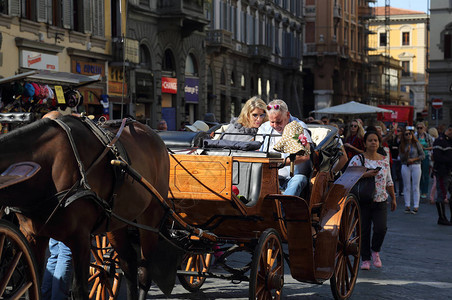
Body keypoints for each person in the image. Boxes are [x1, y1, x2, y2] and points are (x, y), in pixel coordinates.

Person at [348, 130, 397, 270]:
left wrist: (393, 198)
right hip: (363, 199)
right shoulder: (358, 159)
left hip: (380, 199)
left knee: (381, 228)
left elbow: (389, 180)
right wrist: (366, 174)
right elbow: (349, 175)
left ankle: (375, 250)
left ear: (379, 143)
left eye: (375, 140)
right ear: (364, 143)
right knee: (364, 230)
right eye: (370, 140)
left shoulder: (384, 159)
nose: (373, 143)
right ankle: (365, 258)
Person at [256, 99, 312, 197]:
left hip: (294, 177)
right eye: (272, 122)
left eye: (279, 122)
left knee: (298, 180)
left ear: (287, 115)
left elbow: (305, 156)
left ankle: (282, 209)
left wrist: (280, 162)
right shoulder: (264, 128)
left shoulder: (299, 127)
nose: (275, 126)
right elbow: (257, 150)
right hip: (270, 175)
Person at [399, 126, 425, 214]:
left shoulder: (416, 143)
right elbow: (401, 158)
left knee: (415, 186)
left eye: (410, 133)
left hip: (416, 165)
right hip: (405, 165)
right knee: (406, 186)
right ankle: (407, 205)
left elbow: (422, 155)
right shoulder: (402, 145)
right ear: (404, 136)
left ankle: (416, 206)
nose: (408, 135)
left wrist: (413, 159)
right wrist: (406, 153)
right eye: (406, 134)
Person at [432, 124, 452, 225]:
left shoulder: (449, 140)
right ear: (450, 130)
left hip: (450, 172)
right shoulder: (440, 140)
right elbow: (437, 157)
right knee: (441, 195)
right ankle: (442, 218)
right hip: (442, 172)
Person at [414, 121, 433, 201]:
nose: (419, 129)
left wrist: (424, 148)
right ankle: (420, 190)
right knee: (419, 175)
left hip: (425, 156)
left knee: (425, 174)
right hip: (417, 157)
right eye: (417, 128)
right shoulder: (415, 136)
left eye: (421, 128)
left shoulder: (428, 137)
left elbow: (432, 147)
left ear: (424, 128)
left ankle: (425, 191)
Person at [387, 124, 404, 197]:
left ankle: (401, 190)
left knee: (400, 175)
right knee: (393, 175)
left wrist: (396, 148)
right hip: (394, 158)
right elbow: (390, 146)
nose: (398, 132)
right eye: (397, 131)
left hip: (400, 159)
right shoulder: (393, 139)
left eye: (399, 131)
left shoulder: (404, 139)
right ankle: (394, 191)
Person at [428, 127, 440, 204]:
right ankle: (433, 197)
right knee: (437, 182)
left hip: (436, 163)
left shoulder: (433, 140)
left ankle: (432, 197)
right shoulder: (436, 140)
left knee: (436, 183)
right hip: (437, 163)